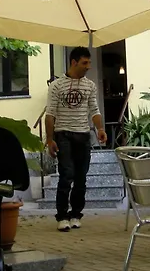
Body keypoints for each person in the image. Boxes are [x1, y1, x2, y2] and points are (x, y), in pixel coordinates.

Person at [45, 46, 107, 231]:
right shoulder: (57, 86)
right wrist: (50, 139)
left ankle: (76, 214)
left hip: (83, 134)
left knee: (81, 177)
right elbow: (50, 114)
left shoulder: (90, 85)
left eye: (89, 63)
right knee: (67, 175)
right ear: (74, 62)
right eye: (84, 63)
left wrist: (100, 129)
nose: (88, 66)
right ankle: (62, 216)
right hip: (63, 134)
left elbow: (94, 109)